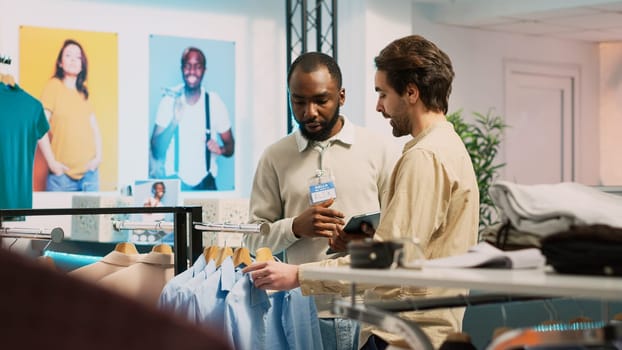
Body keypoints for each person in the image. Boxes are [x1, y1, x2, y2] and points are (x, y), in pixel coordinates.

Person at [243, 35, 480, 349]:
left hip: (405, 331)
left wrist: (298, 275)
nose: (379, 106)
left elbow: (387, 261)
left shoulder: (423, 157)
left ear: (411, 92)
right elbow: (410, 245)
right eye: (298, 101)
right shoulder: (444, 147)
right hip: (389, 324)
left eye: (382, 93)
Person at [242, 52, 399, 350]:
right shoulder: (275, 157)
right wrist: (294, 228)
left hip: (369, 313)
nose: (308, 112)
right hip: (301, 313)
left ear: (341, 96)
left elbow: (399, 235)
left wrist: (360, 243)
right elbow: (251, 242)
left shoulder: (378, 150)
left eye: (320, 100)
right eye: (298, 101)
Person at [150, 47, 234, 191]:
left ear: (204, 70)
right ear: (182, 68)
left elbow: (230, 147)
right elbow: (156, 149)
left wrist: (221, 149)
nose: (192, 71)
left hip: (206, 184)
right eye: (188, 66)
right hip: (174, 185)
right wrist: (174, 121)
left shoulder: (214, 102)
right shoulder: (169, 101)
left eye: (197, 66)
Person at [37, 39, 102, 191]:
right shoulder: (53, 87)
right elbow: (39, 127)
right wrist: (52, 164)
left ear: (82, 64)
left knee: (93, 216)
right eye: (68, 55)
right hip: (62, 178)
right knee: (58, 216)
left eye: (78, 57)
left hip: (89, 175)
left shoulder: (83, 92)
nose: (73, 59)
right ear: (60, 62)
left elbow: (94, 129)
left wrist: (98, 158)